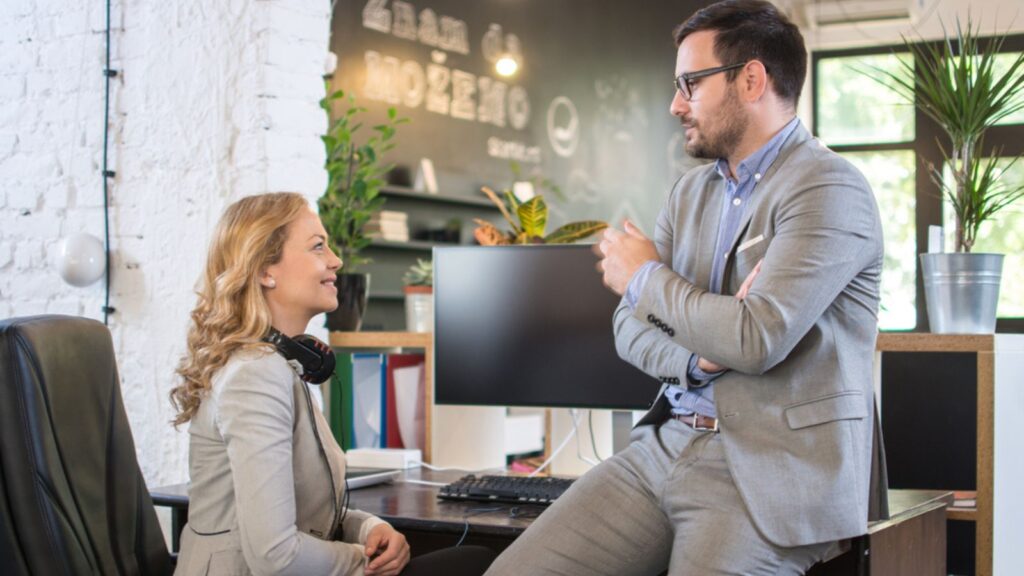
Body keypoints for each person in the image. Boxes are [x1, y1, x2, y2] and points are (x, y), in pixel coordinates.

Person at [484, 1, 885, 574]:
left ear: (751, 79)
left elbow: (755, 339)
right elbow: (628, 327)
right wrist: (699, 355)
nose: (675, 104)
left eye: (690, 84)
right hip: (665, 444)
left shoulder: (829, 188)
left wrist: (645, 276)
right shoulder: (688, 193)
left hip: (770, 472)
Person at [170, 192, 495, 576]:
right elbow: (275, 555)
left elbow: (308, 513)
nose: (336, 260)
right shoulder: (256, 375)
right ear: (264, 270)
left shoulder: (279, 365)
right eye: (318, 247)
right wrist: (363, 561)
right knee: (476, 560)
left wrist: (370, 527)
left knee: (472, 558)